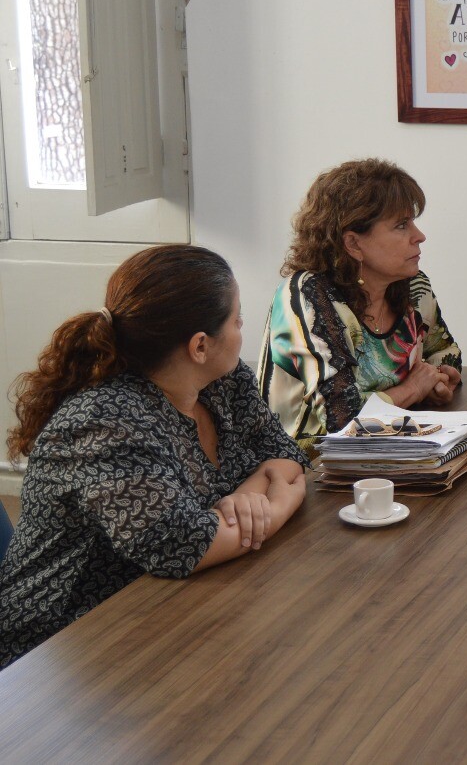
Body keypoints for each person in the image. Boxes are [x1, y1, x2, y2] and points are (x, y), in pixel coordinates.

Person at [0, 245, 308, 669]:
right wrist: (275, 507)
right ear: (199, 346)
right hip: (62, 649)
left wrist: (242, 501)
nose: (242, 329)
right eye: (237, 320)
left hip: (169, 611)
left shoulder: (223, 380)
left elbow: (286, 458)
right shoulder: (105, 422)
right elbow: (185, 545)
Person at [260, 159, 462, 445]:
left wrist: (440, 378)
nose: (419, 236)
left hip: (390, 447)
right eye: (401, 225)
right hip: (306, 460)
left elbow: (445, 351)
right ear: (353, 243)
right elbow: (341, 417)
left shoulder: (413, 288)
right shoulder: (309, 297)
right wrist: (413, 389)